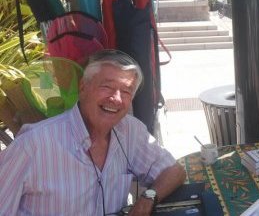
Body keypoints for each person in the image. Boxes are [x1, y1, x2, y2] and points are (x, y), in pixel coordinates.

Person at [0, 49, 185, 215]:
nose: (116, 99)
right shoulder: (32, 146)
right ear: (83, 88)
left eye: (126, 91)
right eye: (107, 87)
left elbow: (173, 170)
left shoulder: (129, 130)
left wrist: (147, 199)